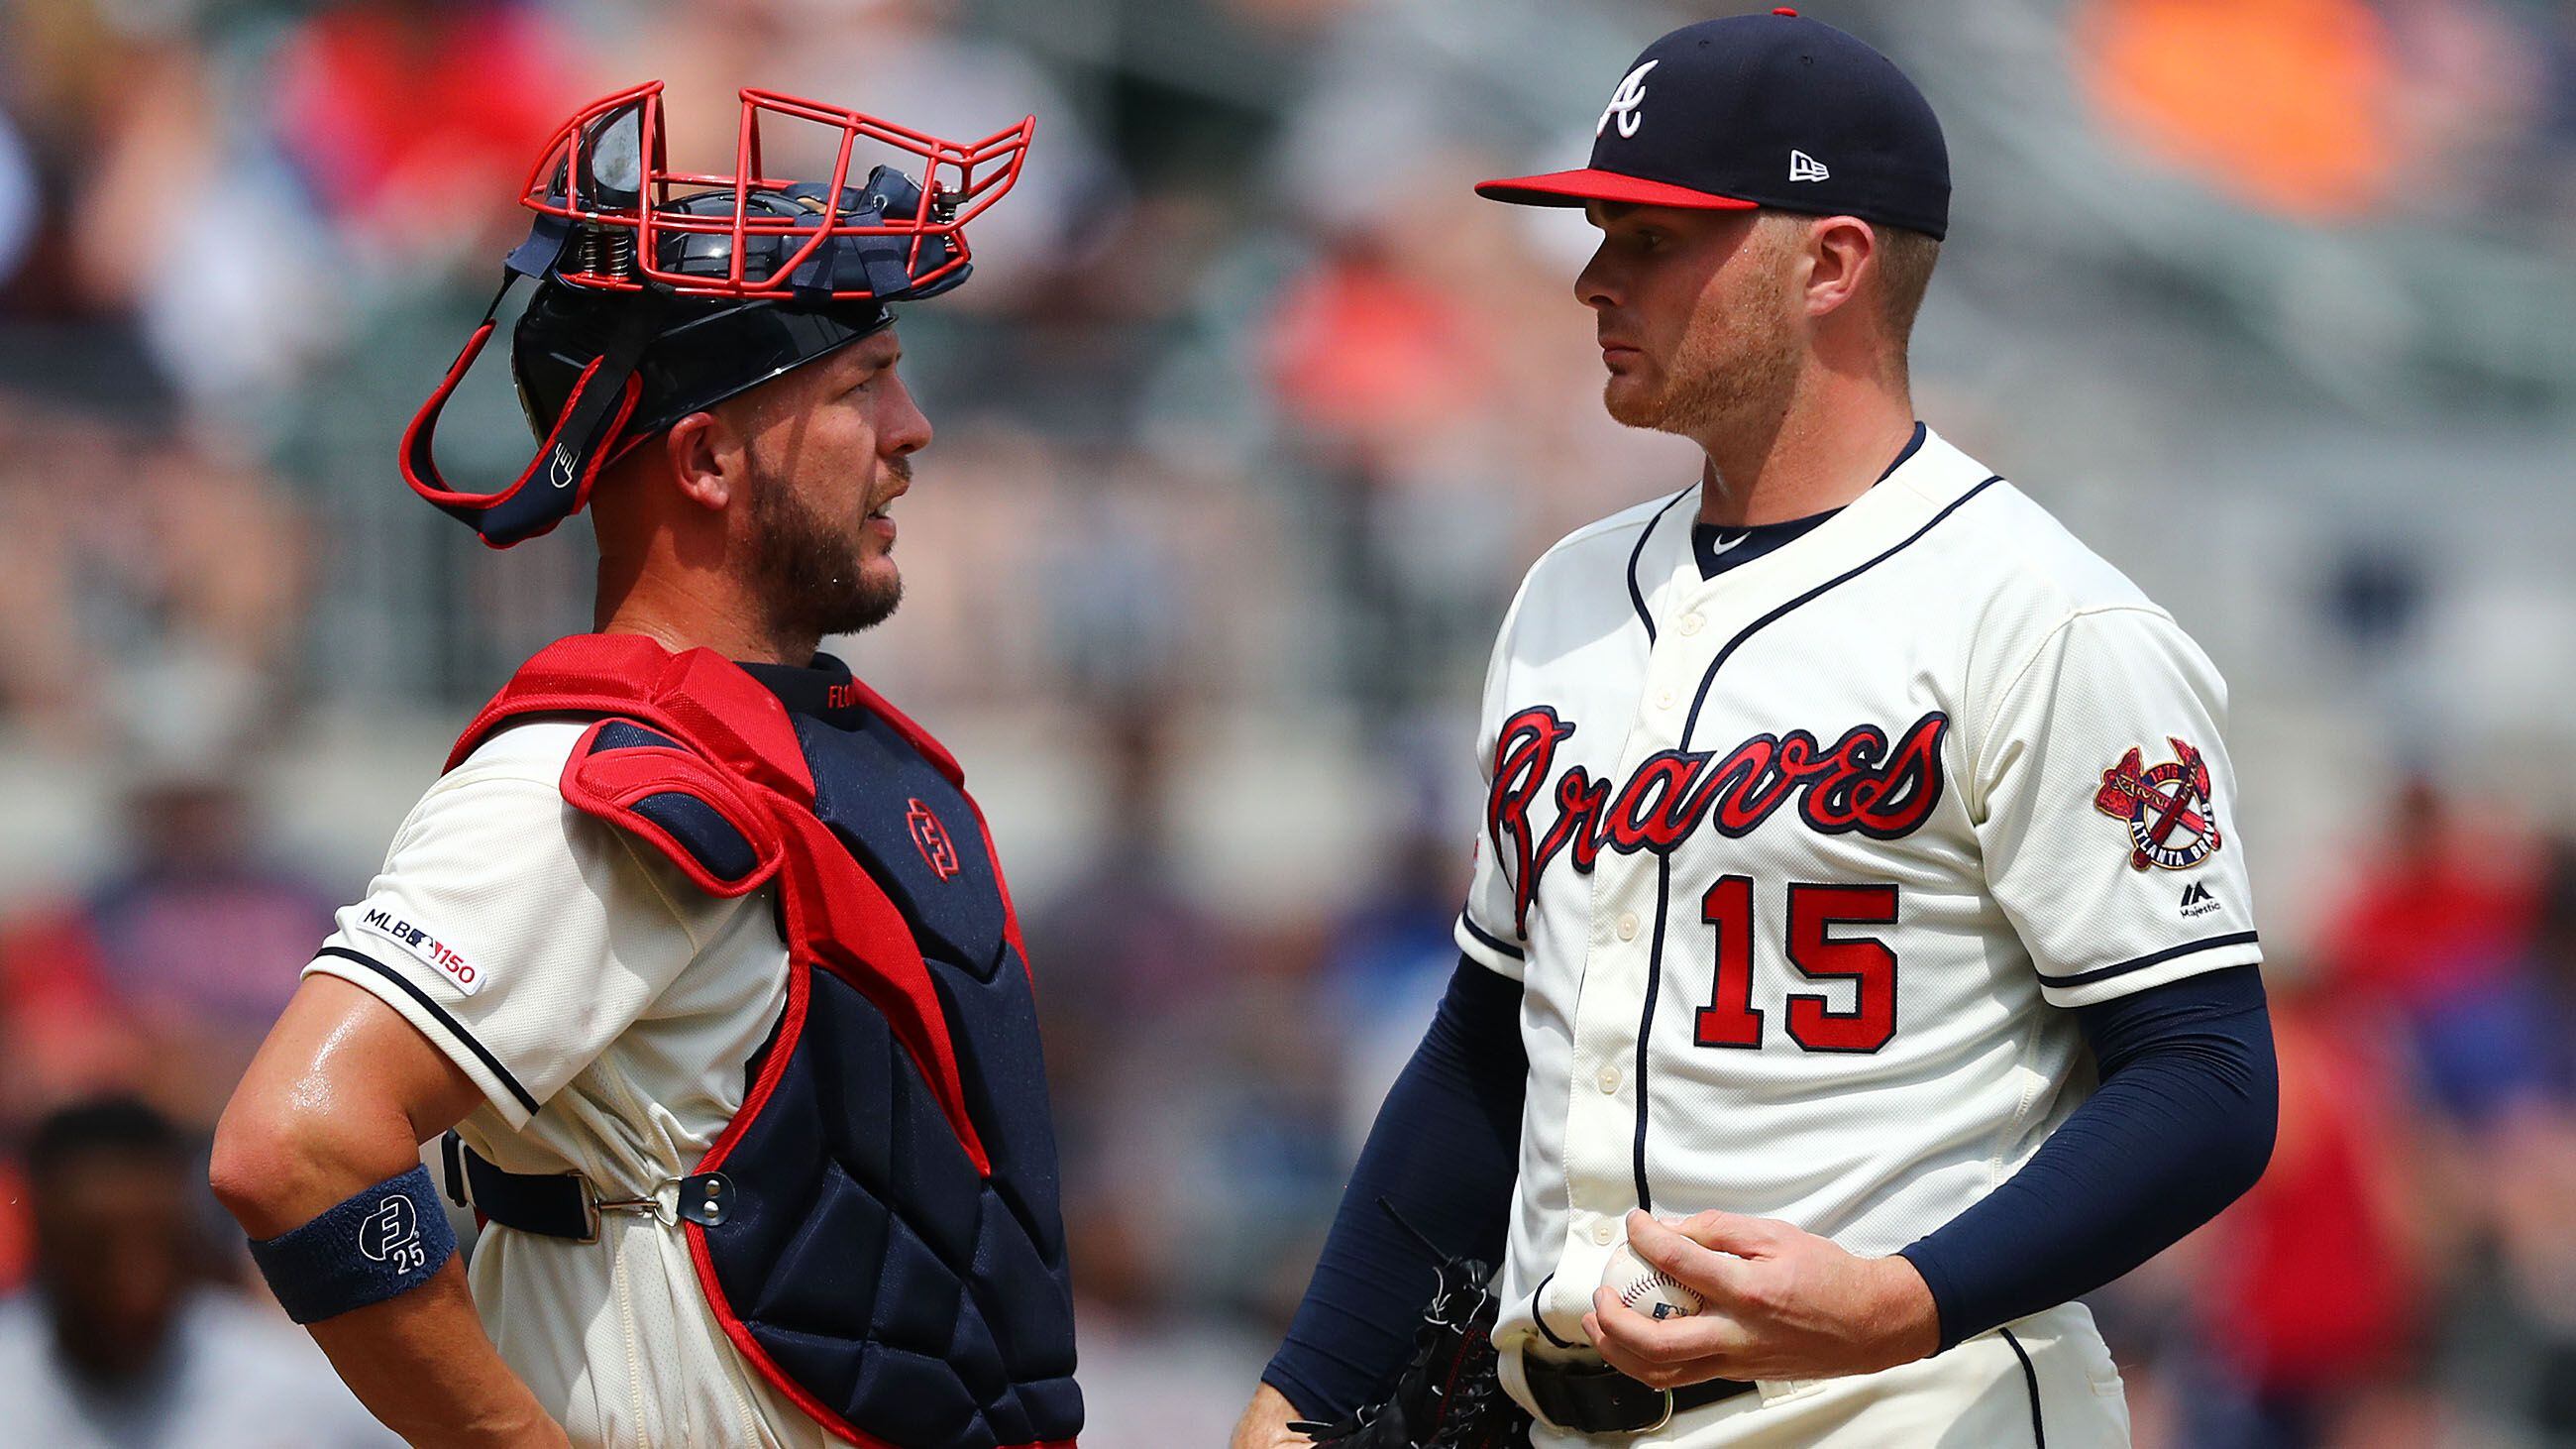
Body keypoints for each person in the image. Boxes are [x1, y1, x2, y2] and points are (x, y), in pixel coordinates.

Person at [1234, 12, 2278, 1447]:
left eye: (1655, 238)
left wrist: (1908, 1295)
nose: (1597, 276)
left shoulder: (2038, 618)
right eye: (1602, 228)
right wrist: (1311, 1389)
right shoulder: (1566, 596)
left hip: (1909, 1408)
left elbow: (2208, 1076)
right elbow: (1490, 1050)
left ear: (1831, 265)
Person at [210, 82, 1082, 1449]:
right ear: (707, 457)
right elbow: (295, 1146)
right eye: (862, 387)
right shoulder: (586, 776)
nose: (911, 430)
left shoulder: (834, 753)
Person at [0, 1096, 390, 1447]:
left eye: (159, 1242)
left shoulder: (298, 1391)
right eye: (96, 1247)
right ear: (45, 1235)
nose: (134, 1280)